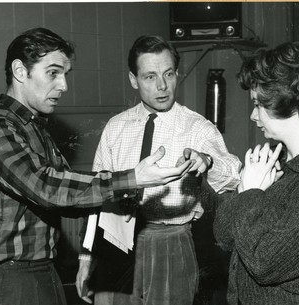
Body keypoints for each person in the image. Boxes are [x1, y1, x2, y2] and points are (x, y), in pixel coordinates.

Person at [0, 28, 195, 305]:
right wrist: (132, 179)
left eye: (65, 74)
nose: (64, 85)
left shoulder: (35, 129)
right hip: (10, 281)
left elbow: (71, 194)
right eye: (53, 73)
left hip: (43, 273)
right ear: (19, 71)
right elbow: (46, 187)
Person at [75, 35, 242, 305]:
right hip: (114, 242)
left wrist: (207, 161)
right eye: (150, 77)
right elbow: (95, 201)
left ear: (176, 74)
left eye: (168, 74)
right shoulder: (116, 128)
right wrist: (86, 258)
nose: (162, 86)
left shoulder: (196, 127)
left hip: (170, 245)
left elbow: (232, 173)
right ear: (134, 80)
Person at [213, 41, 299, 304]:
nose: (253, 115)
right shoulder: (275, 160)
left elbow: (265, 263)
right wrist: (247, 190)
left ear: (291, 103)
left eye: (259, 105)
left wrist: (251, 192)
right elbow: (224, 237)